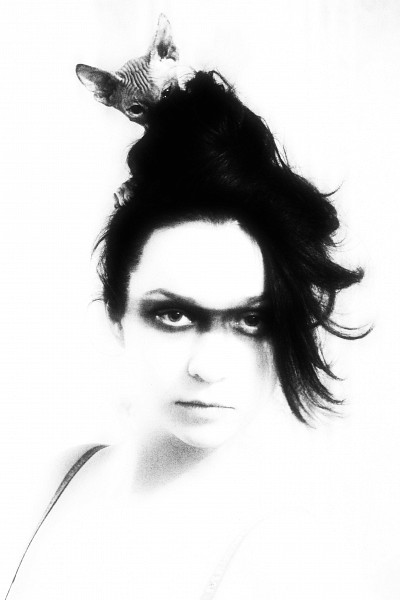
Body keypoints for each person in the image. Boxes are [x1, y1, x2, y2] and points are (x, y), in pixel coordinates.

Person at [6, 71, 367, 599]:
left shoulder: (290, 564)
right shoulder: (51, 483)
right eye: (174, 315)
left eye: (251, 320)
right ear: (116, 314)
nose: (209, 366)